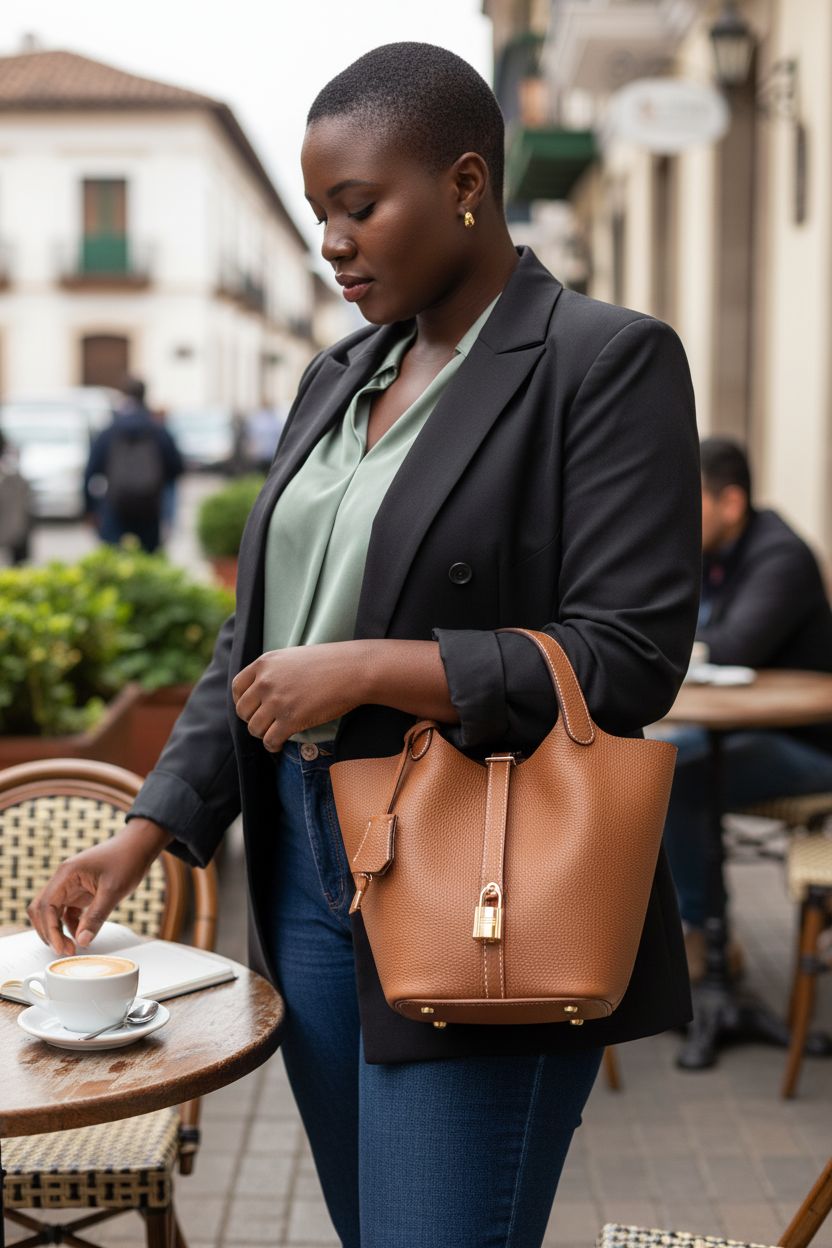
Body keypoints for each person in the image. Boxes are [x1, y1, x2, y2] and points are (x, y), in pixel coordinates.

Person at [29, 44, 701, 1248]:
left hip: (477, 862)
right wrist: (146, 832)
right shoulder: (339, 375)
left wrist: (374, 667)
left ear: (463, 183)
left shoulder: (602, 360)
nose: (332, 244)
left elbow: (630, 655)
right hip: (302, 866)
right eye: (317, 215)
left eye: (357, 206)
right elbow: (252, 640)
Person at [662, 436, 832, 980]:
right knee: (664, 759)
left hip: (810, 749)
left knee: (672, 770)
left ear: (731, 503)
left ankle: (704, 938)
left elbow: (729, 646)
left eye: (692, 501)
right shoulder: (713, 553)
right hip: (745, 735)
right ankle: (698, 931)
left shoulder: (780, 556)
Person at [84, 378, 183, 553]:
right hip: (149, 506)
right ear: (145, 395)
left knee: (113, 560)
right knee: (148, 560)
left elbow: (90, 472)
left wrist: (90, 508)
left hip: (115, 505)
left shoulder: (110, 430)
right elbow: (176, 468)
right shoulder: (157, 430)